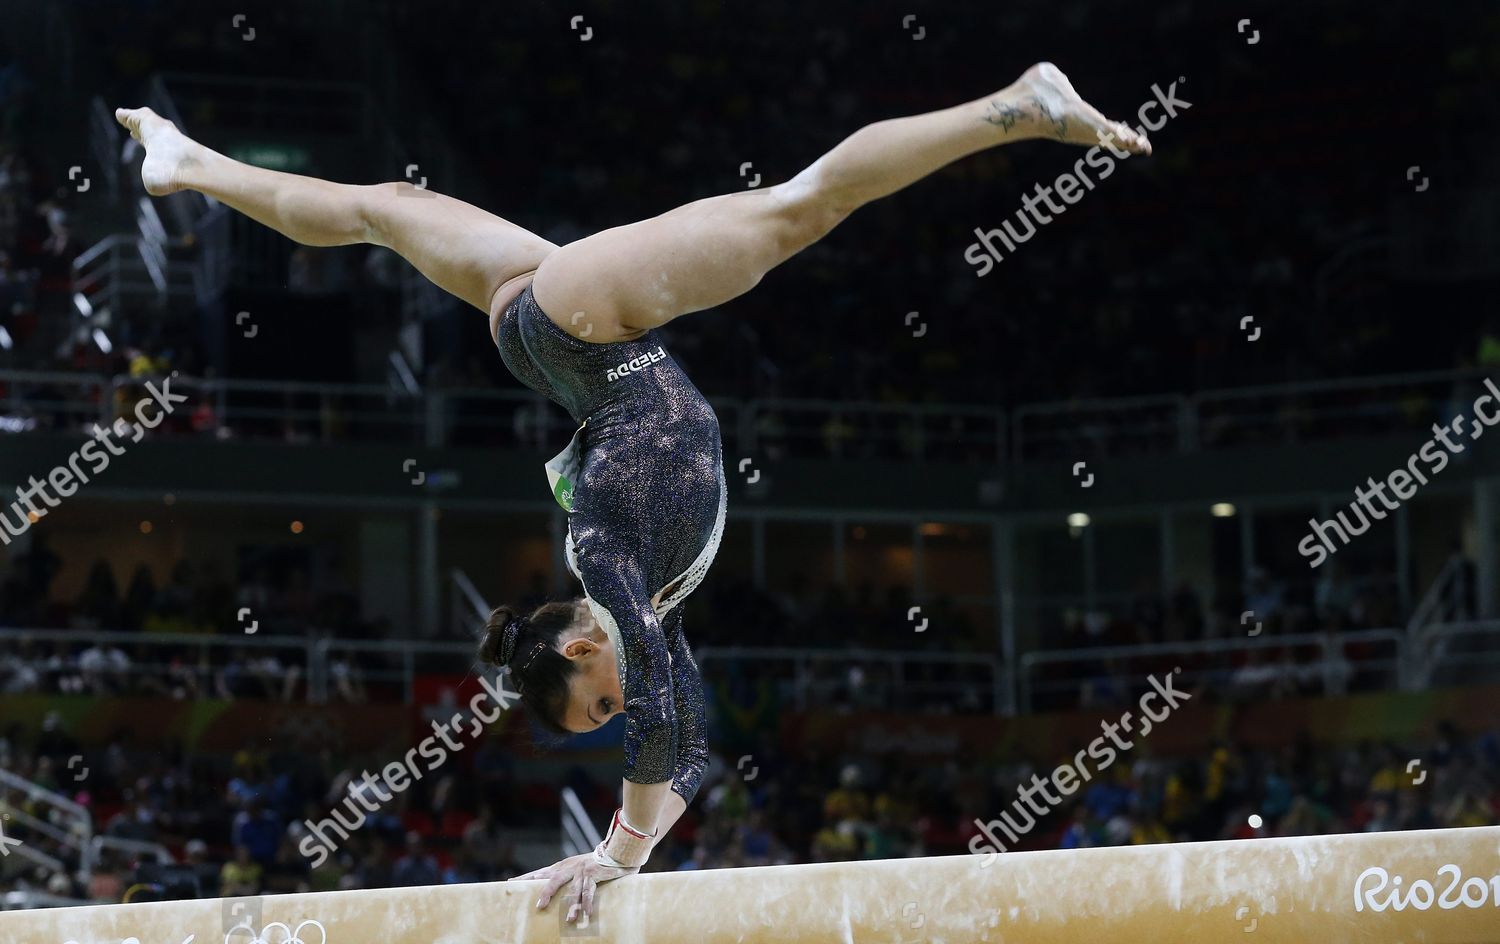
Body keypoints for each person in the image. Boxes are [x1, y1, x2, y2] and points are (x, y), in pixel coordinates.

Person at [116, 63, 1149, 922]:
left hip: (583, 326)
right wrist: (631, 842)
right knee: (382, 211)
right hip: (551, 338)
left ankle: (1020, 105)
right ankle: (192, 162)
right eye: (604, 710)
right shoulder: (642, 600)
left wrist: (618, 850)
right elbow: (688, 734)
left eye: (595, 698)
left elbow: (656, 710)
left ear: (577, 644)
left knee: (802, 204)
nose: (619, 703)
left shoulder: (606, 567)